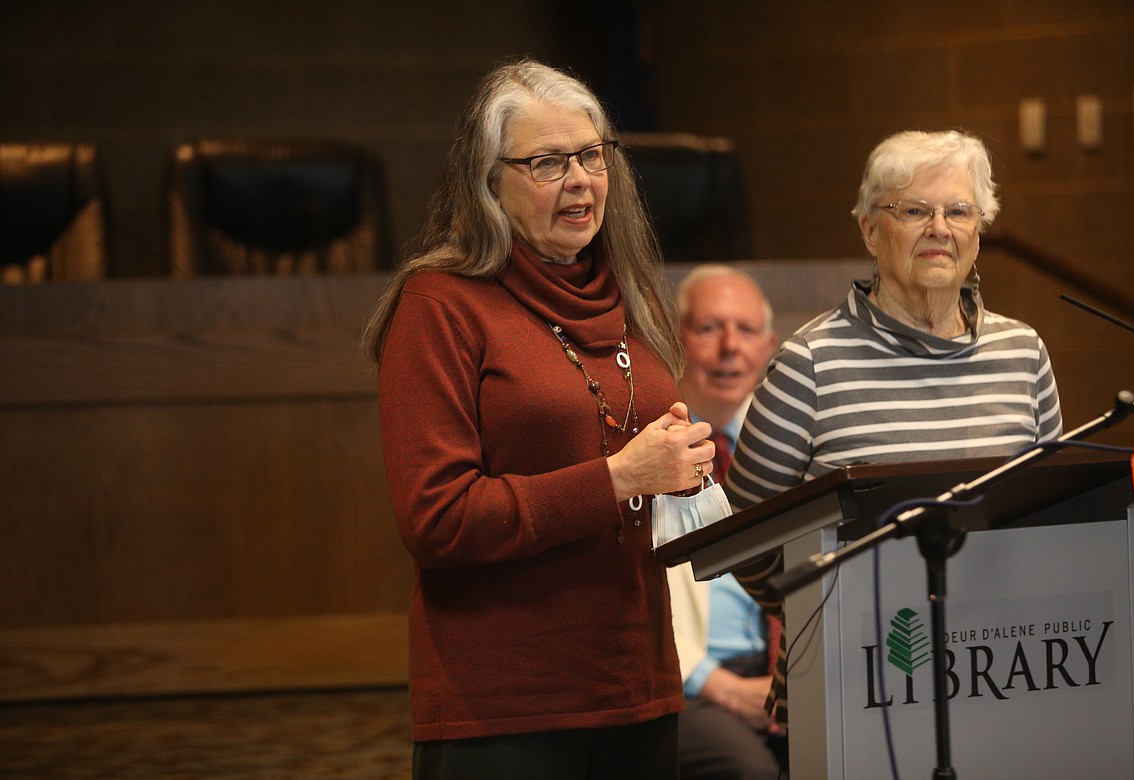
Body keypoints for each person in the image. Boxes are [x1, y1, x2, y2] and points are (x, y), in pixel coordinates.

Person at [361, 59, 716, 780]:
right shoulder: (440, 306)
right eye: (548, 163)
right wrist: (617, 478)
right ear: (490, 182)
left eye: (591, 156)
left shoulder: (627, 289)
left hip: (638, 683)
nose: (581, 181)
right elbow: (437, 518)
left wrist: (682, 468)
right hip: (506, 705)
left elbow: (632, 466)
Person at [725, 129, 1064, 716]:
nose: (940, 228)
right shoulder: (810, 364)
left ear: (978, 231)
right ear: (869, 230)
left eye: (959, 211)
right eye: (915, 210)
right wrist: (823, 609)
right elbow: (744, 539)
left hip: (1009, 668)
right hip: (847, 680)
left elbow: (1055, 512)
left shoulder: (1024, 353)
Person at [667, 264, 785, 780]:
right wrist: (721, 686)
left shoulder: (791, 443)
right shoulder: (642, 442)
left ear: (769, 346)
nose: (730, 347)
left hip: (779, 670)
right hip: (681, 683)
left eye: (747, 329)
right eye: (710, 328)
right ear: (676, 340)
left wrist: (792, 681)